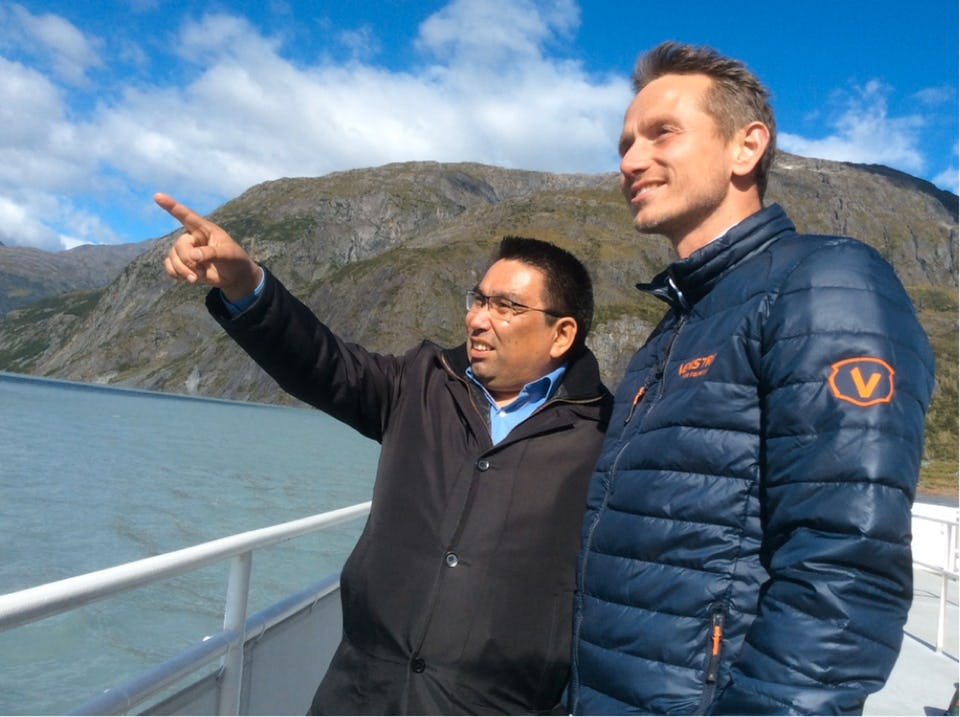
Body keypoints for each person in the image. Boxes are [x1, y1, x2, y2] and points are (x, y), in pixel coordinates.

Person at [569, 42, 935, 715]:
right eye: (625, 142)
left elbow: (846, 570)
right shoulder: (673, 330)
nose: (628, 161)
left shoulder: (823, 282)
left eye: (662, 133)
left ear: (746, 147)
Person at [155, 192, 612, 715]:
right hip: (360, 696)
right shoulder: (421, 382)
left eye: (505, 306)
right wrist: (244, 284)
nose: (478, 320)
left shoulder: (606, 437)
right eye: (478, 299)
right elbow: (320, 361)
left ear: (562, 334)